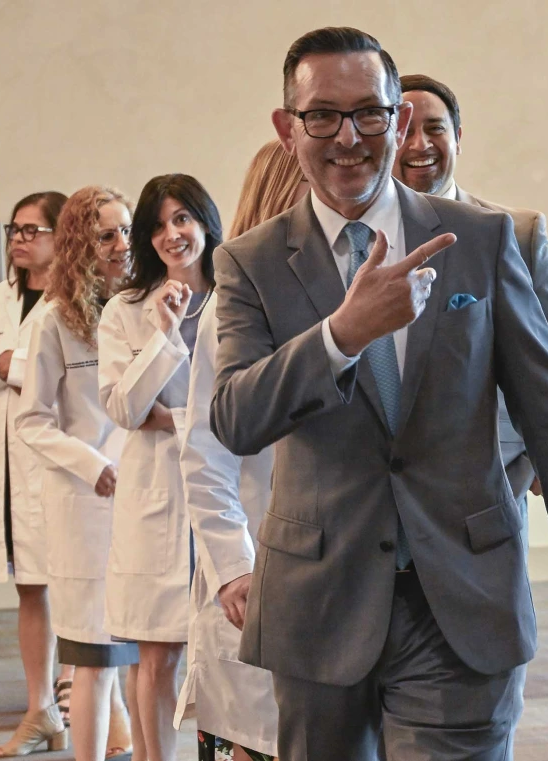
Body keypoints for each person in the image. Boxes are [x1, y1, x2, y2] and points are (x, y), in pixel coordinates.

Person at [209, 27, 548, 760]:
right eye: (323, 116)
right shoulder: (249, 263)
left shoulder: (483, 238)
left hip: (463, 597)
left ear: (397, 120)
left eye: (369, 113)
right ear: (288, 130)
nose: (349, 137)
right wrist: (340, 334)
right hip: (319, 603)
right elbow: (237, 416)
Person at [393, 73, 548, 521]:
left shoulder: (515, 233)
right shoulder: (361, 241)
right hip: (380, 498)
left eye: (434, 128)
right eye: (404, 131)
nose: (419, 145)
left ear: (458, 137)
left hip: (490, 496)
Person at [177, 142, 306, 761]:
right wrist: (232, 563)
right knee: (256, 737)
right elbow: (205, 452)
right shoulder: (232, 305)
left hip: (326, 565)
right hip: (254, 560)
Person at [98, 174, 222, 761]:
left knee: (227, 647)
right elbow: (125, 406)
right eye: (159, 224)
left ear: (204, 223)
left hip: (225, 493)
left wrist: (173, 417)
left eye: (183, 219)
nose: (173, 234)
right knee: (158, 652)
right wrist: (164, 334)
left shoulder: (238, 297)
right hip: (157, 497)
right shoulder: (125, 311)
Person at [15, 186, 140, 761]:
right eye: (107, 234)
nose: (122, 245)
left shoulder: (141, 306)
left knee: (141, 646)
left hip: (145, 494)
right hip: (87, 499)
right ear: (78, 244)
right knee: (94, 650)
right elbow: (33, 421)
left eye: (126, 231)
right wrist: (94, 466)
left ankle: (130, 743)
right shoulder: (52, 321)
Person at [0, 192, 79, 755]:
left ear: (61, 237)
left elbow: (74, 378)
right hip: (10, 470)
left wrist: (16, 368)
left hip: (59, 465)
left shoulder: (80, 300)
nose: (20, 238)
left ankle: (89, 702)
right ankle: (42, 710)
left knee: (76, 585)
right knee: (30, 586)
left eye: (34, 229)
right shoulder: (0, 298)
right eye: (16, 228)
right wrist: (0, 365)